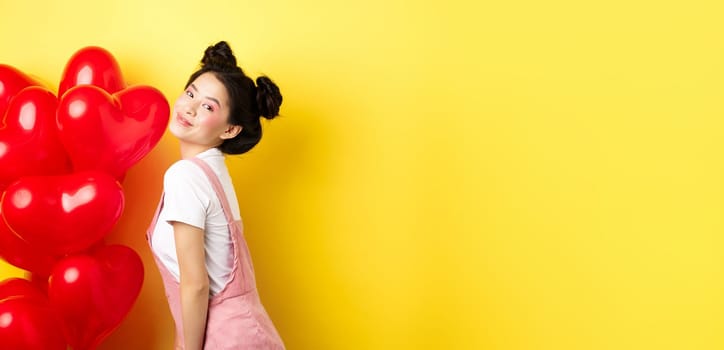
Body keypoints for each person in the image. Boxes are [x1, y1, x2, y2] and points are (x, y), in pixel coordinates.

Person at [146, 41, 285, 349]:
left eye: (209, 106)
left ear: (230, 130)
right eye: (191, 93)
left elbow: (196, 284)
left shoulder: (185, 176)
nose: (190, 107)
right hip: (246, 334)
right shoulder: (214, 172)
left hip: (226, 340)